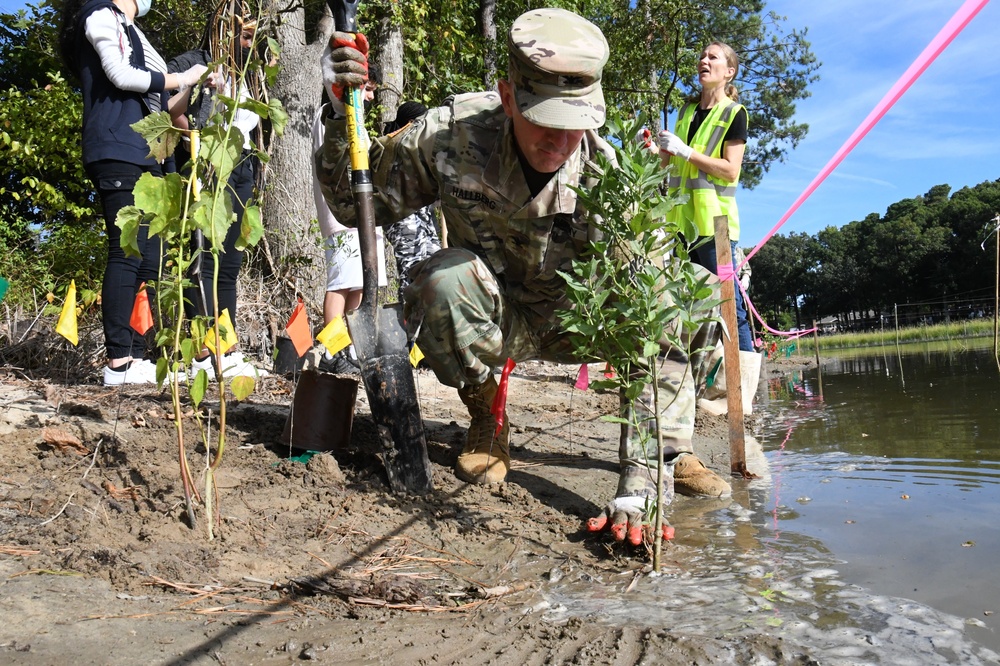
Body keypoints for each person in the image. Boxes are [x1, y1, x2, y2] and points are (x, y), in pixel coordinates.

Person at [317, 8, 731, 545]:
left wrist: (643, 484)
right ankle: (488, 416)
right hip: (495, 316)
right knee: (440, 279)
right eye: (545, 120)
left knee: (687, 292)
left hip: (582, 321)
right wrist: (337, 108)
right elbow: (354, 203)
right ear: (508, 96)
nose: (562, 142)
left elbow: (653, 325)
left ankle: (673, 452)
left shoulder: (610, 181)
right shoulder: (452, 135)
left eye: (576, 123)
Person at [59, 0, 208, 385]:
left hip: (148, 156)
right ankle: (118, 361)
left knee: (149, 256)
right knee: (126, 250)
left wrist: (194, 84)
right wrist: (180, 76)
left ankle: (137, 355)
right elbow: (121, 74)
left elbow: (161, 101)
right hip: (117, 147)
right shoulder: (100, 15)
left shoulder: (136, 32)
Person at [168, 9, 269, 380]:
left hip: (241, 164)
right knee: (204, 260)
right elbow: (169, 105)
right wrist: (192, 137)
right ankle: (202, 352)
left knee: (228, 265)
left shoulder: (249, 76)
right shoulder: (197, 63)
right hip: (209, 160)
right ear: (224, 32)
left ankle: (226, 347)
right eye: (243, 37)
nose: (249, 45)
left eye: (252, 39)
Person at [658, 41, 755, 352]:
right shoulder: (685, 111)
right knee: (686, 309)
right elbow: (669, 164)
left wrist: (685, 151)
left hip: (718, 230)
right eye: (701, 56)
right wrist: (654, 149)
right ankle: (700, 389)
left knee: (730, 307)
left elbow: (730, 171)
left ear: (729, 72)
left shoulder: (734, 113)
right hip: (681, 229)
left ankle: (744, 392)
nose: (703, 60)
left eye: (712, 57)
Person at [312, 69, 388, 375]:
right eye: (368, 89)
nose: (370, 96)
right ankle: (333, 349)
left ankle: (354, 348)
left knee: (359, 283)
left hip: (364, 213)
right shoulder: (331, 115)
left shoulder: (355, 115)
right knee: (341, 283)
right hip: (342, 212)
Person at [380, 102, 442, 302]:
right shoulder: (393, 145)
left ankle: (430, 322)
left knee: (435, 267)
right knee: (411, 269)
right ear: (410, 123)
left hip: (423, 216)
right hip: (402, 217)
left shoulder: (420, 146)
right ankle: (408, 322)